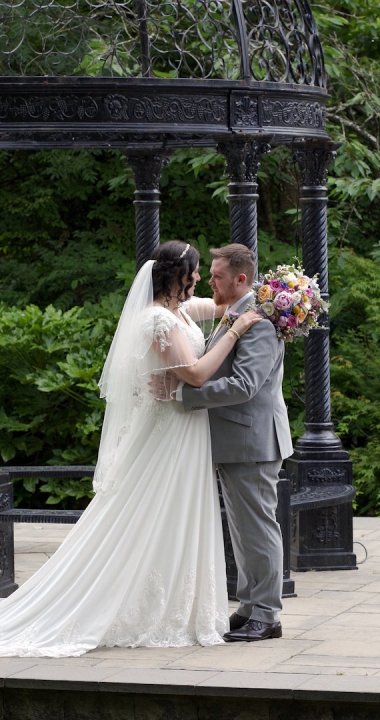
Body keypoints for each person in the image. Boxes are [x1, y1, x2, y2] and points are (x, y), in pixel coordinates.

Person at [0, 240, 261, 657]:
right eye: (195, 273)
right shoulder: (158, 320)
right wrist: (237, 331)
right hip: (168, 432)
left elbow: (222, 306)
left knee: (176, 511)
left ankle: (178, 604)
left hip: (184, 430)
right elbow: (194, 374)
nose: (201, 280)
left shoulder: (179, 312)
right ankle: (131, 604)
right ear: (179, 276)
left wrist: (276, 298)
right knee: (147, 511)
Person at [155, 243, 291, 643]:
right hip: (236, 441)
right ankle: (250, 607)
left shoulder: (260, 323)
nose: (207, 281)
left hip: (253, 441)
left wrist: (182, 396)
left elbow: (245, 385)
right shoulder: (232, 314)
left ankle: (267, 614)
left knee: (258, 529)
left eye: (215, 276)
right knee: (244, 530)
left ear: (240, 279)